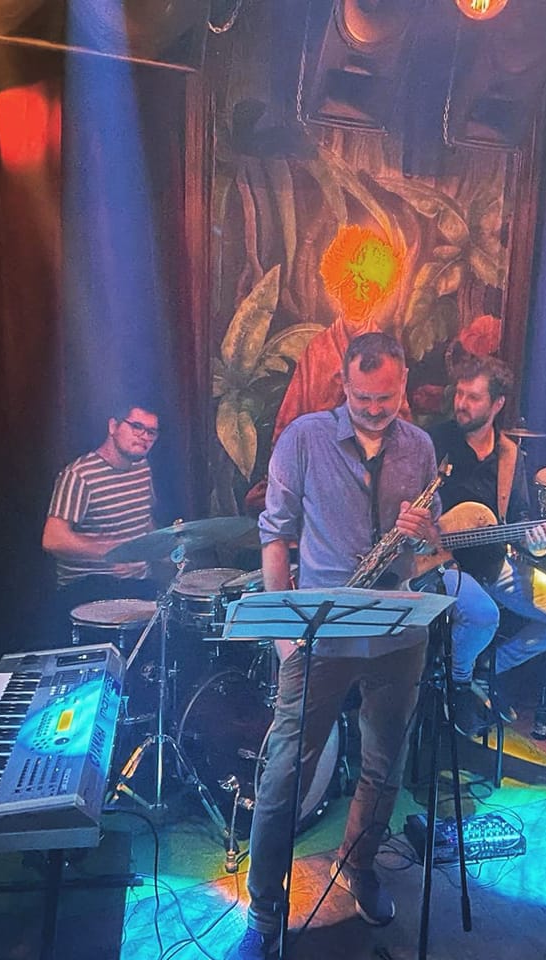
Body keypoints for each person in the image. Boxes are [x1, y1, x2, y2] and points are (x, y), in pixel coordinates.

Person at [234, 332, 440, 960]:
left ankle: (360, 865)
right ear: (343, 385)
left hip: (399, 629)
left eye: (387, 398)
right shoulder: (304, 438)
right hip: (320, 631)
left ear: (403, 385)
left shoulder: (421, 446)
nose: (375, 410)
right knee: (284, 774)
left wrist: (423, 532)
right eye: (363, 398)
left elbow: (427, 552)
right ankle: (265, 910)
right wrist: (282, 632)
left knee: (384, 763)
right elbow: (275, 535)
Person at [427, 355, 546, 734]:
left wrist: (538, 544)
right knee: (483, 614)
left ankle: (488, 668)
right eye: (459, 394)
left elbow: (519, 520)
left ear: (497, 404)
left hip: (493, 565)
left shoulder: (509, 456)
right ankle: (458, 685)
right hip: (440, 564)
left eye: (473, 397)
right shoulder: (434, 443)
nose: (461, 404)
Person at [42, 400, 161, 642]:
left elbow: (143, 520)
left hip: (137, 585)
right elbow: (53, 539)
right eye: (136, 427)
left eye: (151, 432)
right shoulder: (79, 475)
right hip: (88, 589)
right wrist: (114, 552)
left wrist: (164, 548)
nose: (144, 436)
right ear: (113, 426)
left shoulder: (142, 468)